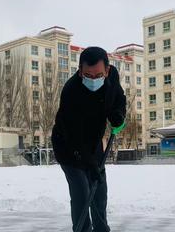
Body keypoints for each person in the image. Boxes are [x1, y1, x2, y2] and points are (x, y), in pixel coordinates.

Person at [52, 47, 126, 232]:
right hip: (68, 146)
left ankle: (102, 229)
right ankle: (82, 229)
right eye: (88, 75)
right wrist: (88, 163)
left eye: (98, 75)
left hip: (94, 142)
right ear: (79, 71)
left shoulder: (112, 76)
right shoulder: (71, 92)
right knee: (82, 193)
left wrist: (118, 114)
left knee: (99, 192)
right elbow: (72, 135)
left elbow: (118, 97)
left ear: (107, 71)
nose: (93, 80)